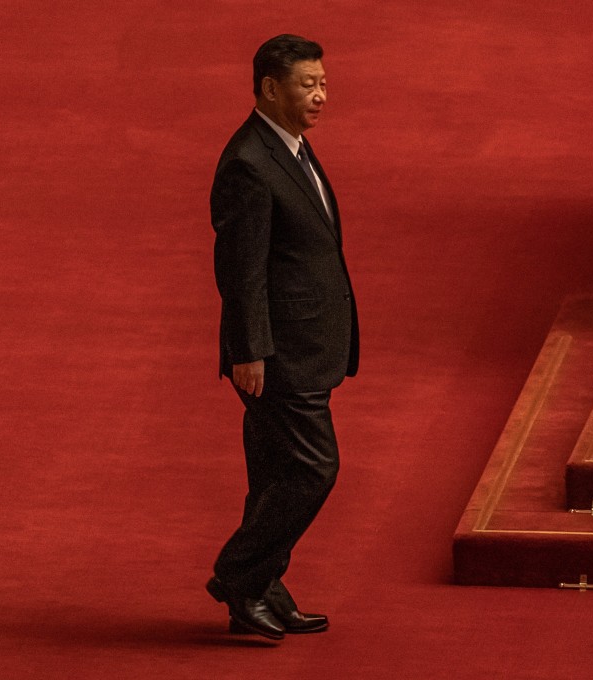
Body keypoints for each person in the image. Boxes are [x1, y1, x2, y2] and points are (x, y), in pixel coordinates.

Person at [206, 34, 360, 641]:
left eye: (323, 82)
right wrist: (250, 350)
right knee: (313, 469)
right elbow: (240, 270)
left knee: (273, 474)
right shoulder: (248, 162)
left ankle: (263, 590)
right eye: (307, 84)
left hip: (304, 347)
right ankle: (238, 578)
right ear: (271, 89)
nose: (321, 94)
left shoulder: (290, 147)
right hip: (279, 356)